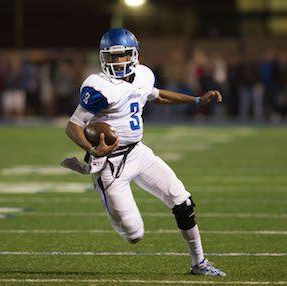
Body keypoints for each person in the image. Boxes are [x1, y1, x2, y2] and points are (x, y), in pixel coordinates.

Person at [61, 28, 225, 276]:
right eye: (112, 57)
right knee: (135, 234)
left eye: (123, 55)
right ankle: (109, 199)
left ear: (134, 54)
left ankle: (199, 262)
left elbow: (156, 96)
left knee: (183, 201)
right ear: (103, 58)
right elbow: (73, 126)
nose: (118, 62)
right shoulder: (100, 86)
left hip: (139, 153)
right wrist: (92, 148)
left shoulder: (143, 75)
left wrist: (196, 100)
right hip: (110, 164)